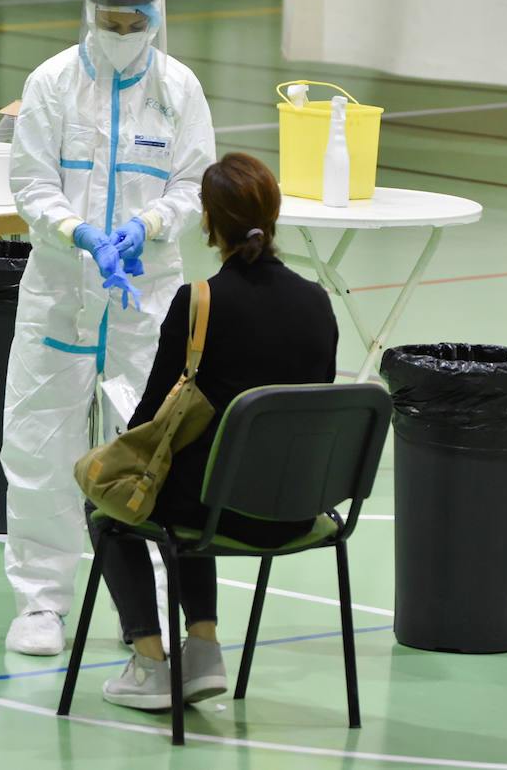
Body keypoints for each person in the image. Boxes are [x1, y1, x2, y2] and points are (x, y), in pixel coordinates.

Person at [2, 0, 215, 655]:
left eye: (134, 22)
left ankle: (148, 607)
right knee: (39, 440)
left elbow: (194, 185)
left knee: (150, 444)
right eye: (109, 21)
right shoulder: (53, 84)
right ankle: (40, 601)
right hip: (61, 290)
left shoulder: (180, 89)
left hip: (145, 297)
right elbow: (31, 184)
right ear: (88, 12)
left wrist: (145, 226)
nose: (122, 35)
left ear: (156, 14)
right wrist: (81, 234)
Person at [88, 152, 339, 710]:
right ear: (273, 217)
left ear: (207, 221)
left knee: (109, 504)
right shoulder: (319, 303)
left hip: (215, 508)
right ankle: (201, 652)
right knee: (206, 475)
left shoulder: (199, 302)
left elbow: (149, 419)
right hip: (296, 510)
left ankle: (151, 663)